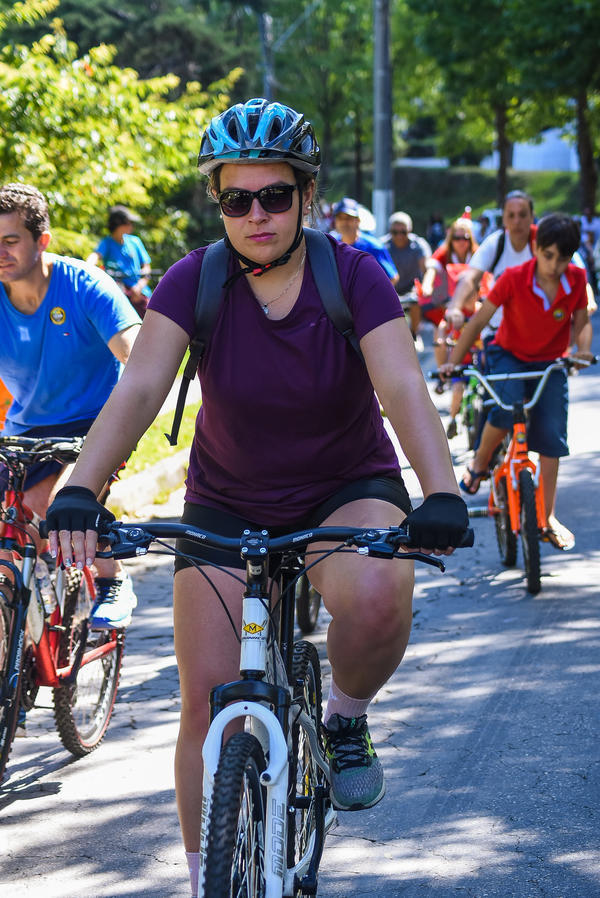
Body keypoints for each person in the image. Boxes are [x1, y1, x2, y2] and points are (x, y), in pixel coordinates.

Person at [44, 98, 469, 898]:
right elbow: (139, 387)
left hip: (343, 490)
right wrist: (79, 489)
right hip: (227, 500)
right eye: (236, 199)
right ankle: (211, 882)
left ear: (306, 195)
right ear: (219, 203)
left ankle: (342, 717)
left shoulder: (353, 275)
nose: (256, 215)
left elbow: (402, 382)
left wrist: (439, 492)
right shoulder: (194, 280)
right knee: (209, 708)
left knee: (380, 599)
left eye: (274, 195)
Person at [0, 182, 140, 632]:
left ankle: (112, 577)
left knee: (53, 502)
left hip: (95, 423)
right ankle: (18, 643)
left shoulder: (84, 285)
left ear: (42, 240)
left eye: (9, 240)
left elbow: (137, 359)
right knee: (10, 531)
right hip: (25, 426)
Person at [441, 212, 593, 551]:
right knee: (505, 410)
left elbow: (582, 322)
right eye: (548, 255)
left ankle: (548, 516)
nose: (554, 266)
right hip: (507, 355)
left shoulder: (577, 279)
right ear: (537, 249)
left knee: (552, 439)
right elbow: (478, 323)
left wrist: (582, 350)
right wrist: (452, 364)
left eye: (563, 258)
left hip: (550, 363)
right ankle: (481, 462)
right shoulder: (513, 277)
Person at [446, 190, 537, 343]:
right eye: (511, 215)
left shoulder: (544, 243)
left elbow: (570, 271)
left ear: (532, 217)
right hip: (499, 333)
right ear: (504, 218)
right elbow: (470, 277)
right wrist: (455, 307)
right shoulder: (495, 243)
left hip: (536, 332)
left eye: (522, 215)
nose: (516, 221)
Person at [420, 217, 482, 436]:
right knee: (441, 333)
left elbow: (491, 275)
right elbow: (432, 270)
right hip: (450, 306)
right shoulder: (444, 254)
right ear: (450, 238)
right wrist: (427, 285)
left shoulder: (478, 254)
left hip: (475, 306)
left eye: (465, 237)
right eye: (456, 237)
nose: (461, 242)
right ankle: (443, 373)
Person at [87, 205, 152, 318]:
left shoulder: (135, 242)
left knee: (151, 317)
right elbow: (94, 257)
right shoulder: (107, 243)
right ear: (118, 224)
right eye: (128, 222)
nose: (131, 226)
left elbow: (147, 268)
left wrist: (139, 286)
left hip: (140, 292)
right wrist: (87, 267)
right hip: (117, 291)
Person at [382, 211, 428, 349]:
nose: (399, 236)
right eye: (395, 232)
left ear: (409, 230)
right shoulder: (383, 245)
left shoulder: (418, 245)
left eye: (403, 232)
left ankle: (414, 333)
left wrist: (425, 286)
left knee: (415, 301)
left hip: (412, 287)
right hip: (391, 287)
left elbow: (426, 267)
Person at [330, 196, 398, 280]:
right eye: (340, 218)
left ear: (358, 221)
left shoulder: (373, 247)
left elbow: (392, 278)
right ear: (335, 221)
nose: (344, 222)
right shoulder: (331, 245)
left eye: (348, 218)